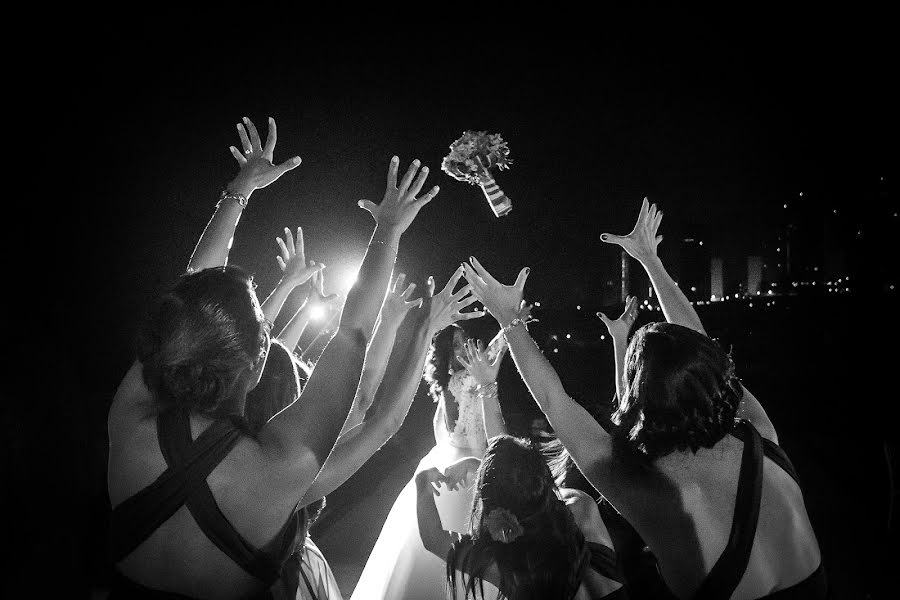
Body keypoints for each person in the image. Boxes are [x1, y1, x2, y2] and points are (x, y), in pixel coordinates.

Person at [107, 113, 440, 598]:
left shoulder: (128, 415)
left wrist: (238, 191)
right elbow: (354, 337)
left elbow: (189, 291)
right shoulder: (284, 468)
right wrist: (388, 229)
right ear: (260, 362)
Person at [462, 197, 826, 599]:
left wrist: (509, 320)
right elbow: (702, 347)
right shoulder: (761, 432)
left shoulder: (653, 492)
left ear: (640, 399)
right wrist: (651, 260)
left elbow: (555, 401)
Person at [350, 291, 503, 599]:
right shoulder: (463, 382)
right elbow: (492, 358)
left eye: (466, 342)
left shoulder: (451, 386)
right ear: (446, 354)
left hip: (456, 467)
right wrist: (510, 327)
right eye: (457, 345)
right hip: (465, 475)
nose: (465, 350)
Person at [416, 434, 627, 599]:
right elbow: (535, 492)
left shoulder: (506, 567)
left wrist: (423, 485)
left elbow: (433, 538)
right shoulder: (583, 506)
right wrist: (479, 467)